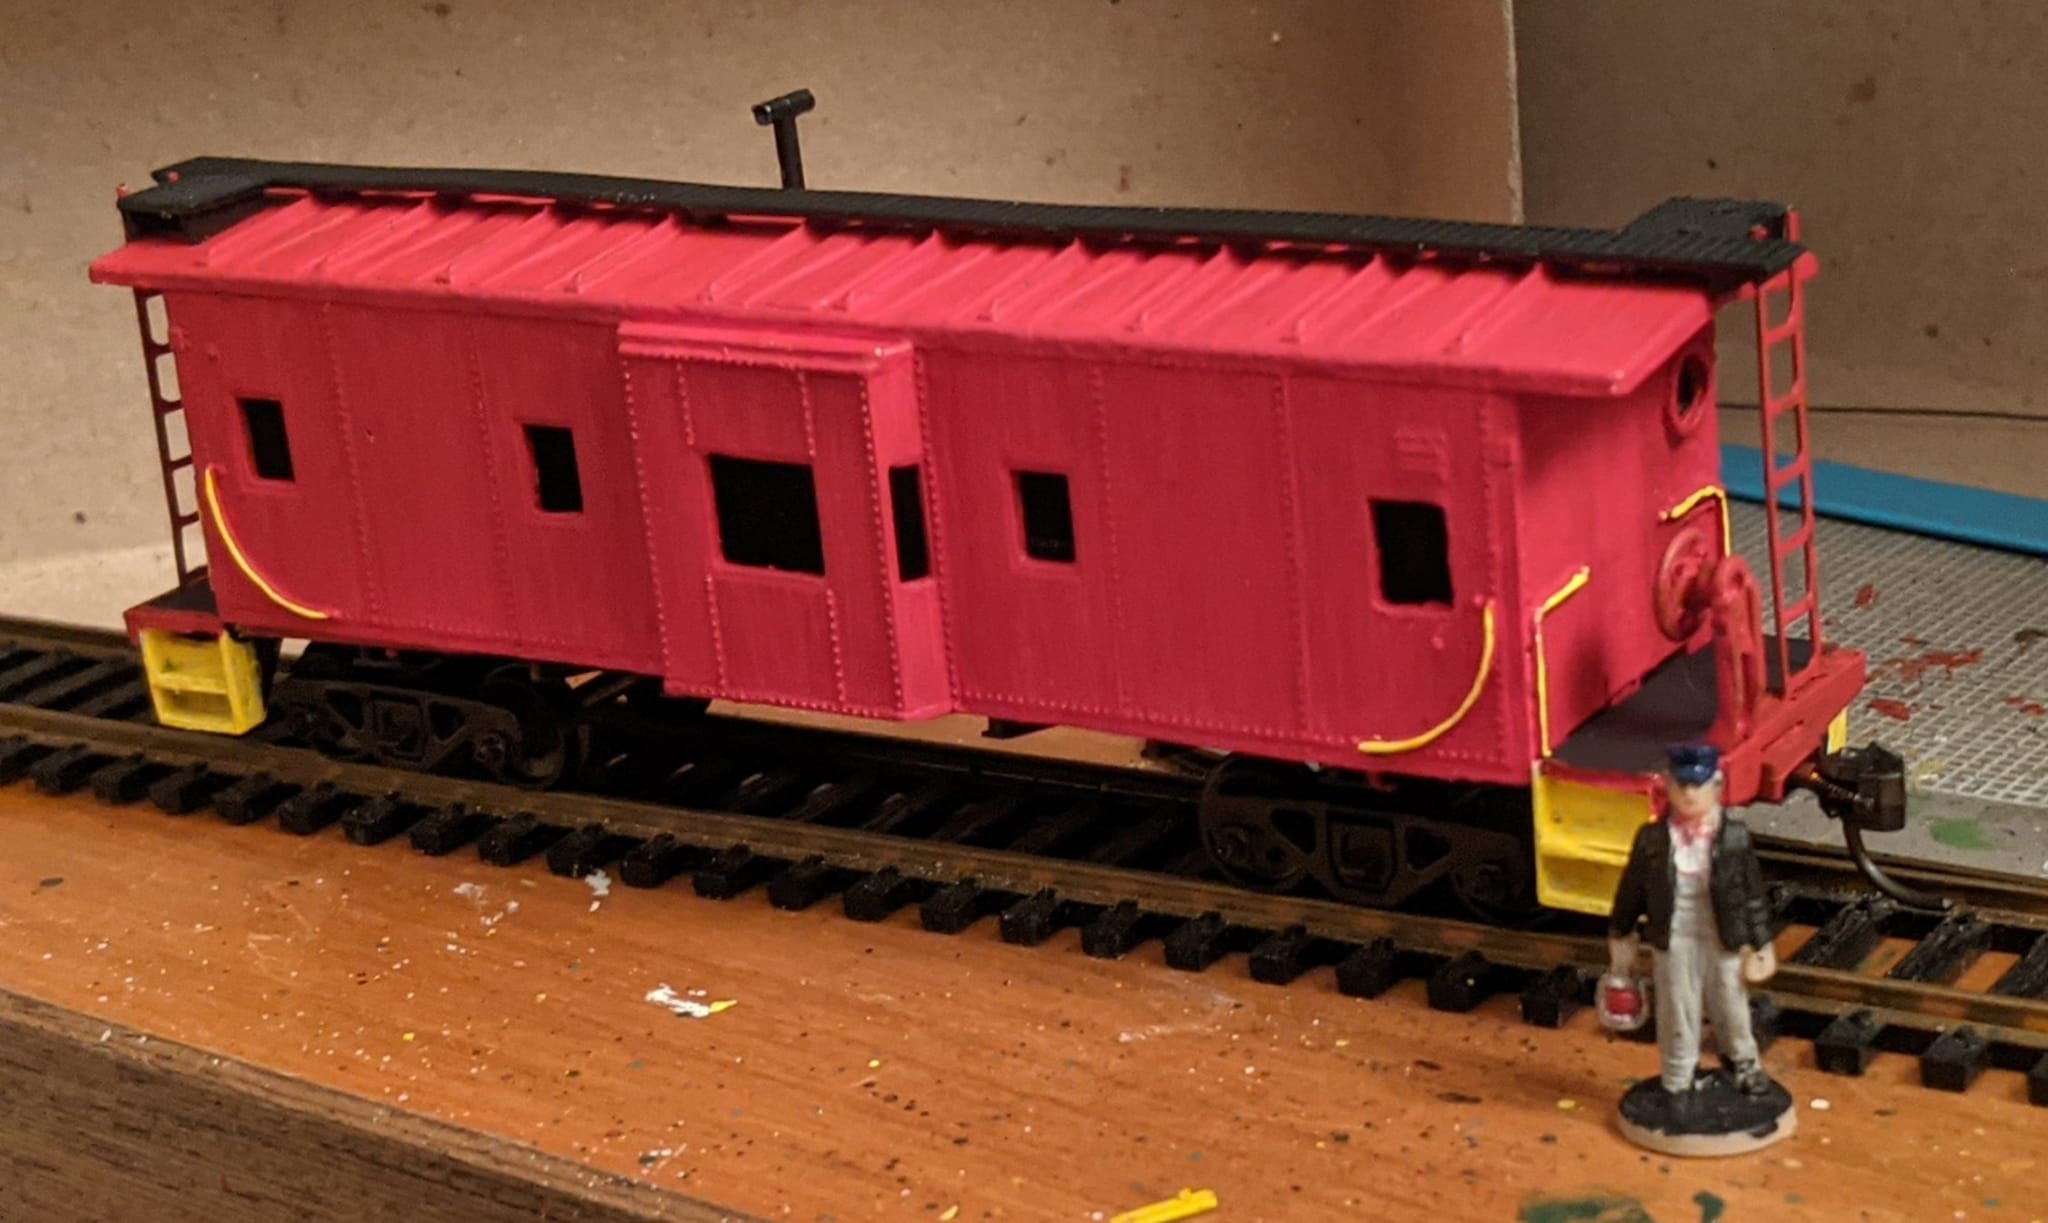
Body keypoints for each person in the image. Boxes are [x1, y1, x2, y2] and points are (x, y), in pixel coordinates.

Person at [1607, 743, 1778, 1096]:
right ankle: (1678, 1072)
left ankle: (1743, 1063)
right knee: (1677, 1005)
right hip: (1674, 934)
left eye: (1697, 785)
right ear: (1668, 787)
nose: (1689, 794)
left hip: (1722, 933)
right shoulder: (1652, 839)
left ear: (1716, 787)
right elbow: (1631, 890)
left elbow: (1753, 895)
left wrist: (1762, 942)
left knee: (1730, 1001)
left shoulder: (1735, 838)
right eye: (1681, 785)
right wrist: (1621, 932)